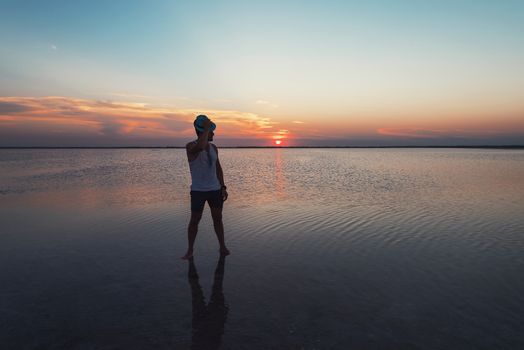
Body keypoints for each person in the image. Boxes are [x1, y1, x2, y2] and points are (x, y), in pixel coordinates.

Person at [182, 115, 230, 260]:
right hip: (198, 191)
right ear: (202, 131)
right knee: (195, 220)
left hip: (215, 190)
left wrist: (223, 186)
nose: (213, 133)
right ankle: (190, 250)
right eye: (211, 131)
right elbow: (201, 146)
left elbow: (218, 168)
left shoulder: (214, 148)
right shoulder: (190, 146)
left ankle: (222, 247)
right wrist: (206, 128)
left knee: (218, 218)